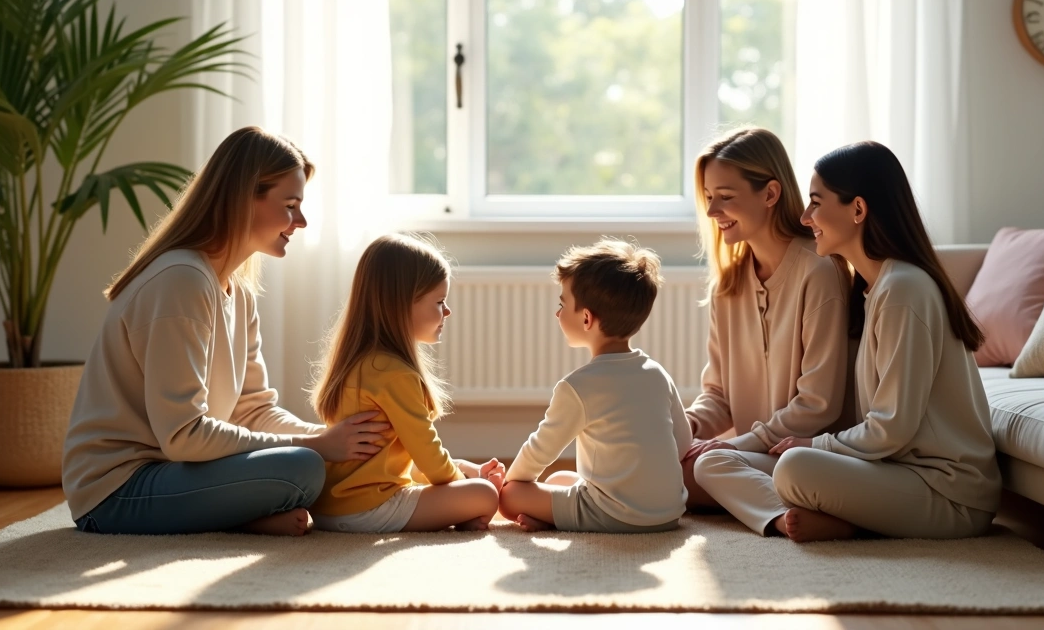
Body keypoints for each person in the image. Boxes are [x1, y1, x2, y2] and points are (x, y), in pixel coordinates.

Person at [63, 126, 389, 537]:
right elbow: (183, 436)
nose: (301, 221)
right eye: (290, 205)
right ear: (242, 199)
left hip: (176, 471)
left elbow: (253, 411)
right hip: (117, 491)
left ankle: (247, 517)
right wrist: (317, 447)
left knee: (323, 461)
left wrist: (330, 437)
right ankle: (247, 514)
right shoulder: (181, 280)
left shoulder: (238, 292)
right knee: (303, 468)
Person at [769, 140, 1001, 542]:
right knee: (782, 462)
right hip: (905, 474)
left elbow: (891, 427)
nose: (806, 218)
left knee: (794, 467)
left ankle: (852, 523)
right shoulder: (877, 289)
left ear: (858, 209)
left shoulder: (903, 290)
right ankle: (853, 520)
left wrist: (816, 443)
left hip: (950, 494)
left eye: (816, 202)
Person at [684, 127, 853, 536]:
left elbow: (818, 406)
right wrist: (679, 427)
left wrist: (733, 446)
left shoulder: (818, 270)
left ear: (770, 194)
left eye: (725, 197)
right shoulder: (728, 283)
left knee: (705, 466)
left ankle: (797, 515)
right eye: (708, 198)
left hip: (809, 455)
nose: (712, 211)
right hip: (755, 457)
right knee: (657, 468)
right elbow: (719, 396)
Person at [308, 233, 503, 533]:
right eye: (439, 301)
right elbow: (429, 457)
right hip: (369, 509)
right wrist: (469, 486)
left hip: (328, 508)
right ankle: (467, 504)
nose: (447, 311)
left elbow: (399, 458)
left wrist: (468, 471)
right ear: (400, 306)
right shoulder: (395, 374)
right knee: (485, 495)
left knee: (463, 474)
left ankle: (467, 488)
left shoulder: (360, 363)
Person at [498, 239, 690, 533]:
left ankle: (557, 517)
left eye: (562, 304)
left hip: (614, 515)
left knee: (512, 497)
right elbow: (683, 442)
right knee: (559, 480)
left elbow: (540, 451)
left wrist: (511, 481)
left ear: (586, 318)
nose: (557, 313)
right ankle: (557, 515)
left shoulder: (578, 386)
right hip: (668, 514)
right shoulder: (657, 373)